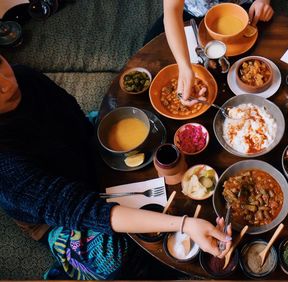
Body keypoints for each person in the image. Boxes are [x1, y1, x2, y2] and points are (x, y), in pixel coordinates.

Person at [0, 55, 231, 279]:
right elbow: (86, 210)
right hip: (56, 214)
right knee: (118, 259)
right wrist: (184, 224)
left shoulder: (24, 76)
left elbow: (76, 118)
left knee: (149, 134)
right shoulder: (5, 167)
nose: (5, 82)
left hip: (84, 152)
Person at [144, 0, 274, 107]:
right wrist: (184, 67)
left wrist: (263, 1)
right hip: (194, 12)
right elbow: (172, 10)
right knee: (149, 48)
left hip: (242, 8)